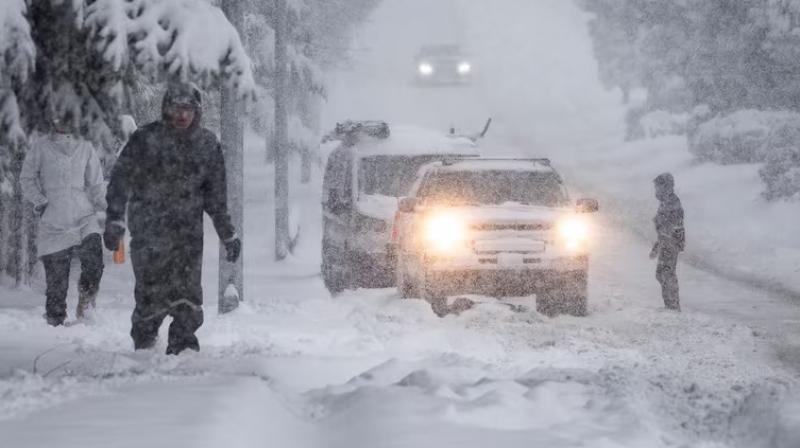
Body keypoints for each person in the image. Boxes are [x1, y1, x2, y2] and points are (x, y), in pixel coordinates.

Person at [104, 82, 241, 355]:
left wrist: (227, 233)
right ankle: (144, 345)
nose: (182, 115)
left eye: (188, 109)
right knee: (149, 292)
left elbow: (215, 197)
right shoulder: (144, 139)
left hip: (187, 236)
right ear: (167, 108)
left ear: (197, 111)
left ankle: (183, 348)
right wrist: (115, 219)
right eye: (176, 108)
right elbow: (120, 181)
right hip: (148, 231)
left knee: (188, 296)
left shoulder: (207, 144)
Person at [20, 120, 106, 326]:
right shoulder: (40, 146)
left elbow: (96, 183)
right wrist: (41, 202)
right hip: (54, 219)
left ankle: (86, 303)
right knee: (57, 282)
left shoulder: (85, 146)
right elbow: (26, 178)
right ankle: (55, 322)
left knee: (94, 260)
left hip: (84, 215)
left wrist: (107, 208)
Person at [650, 172, 685, 311]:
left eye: (658, 187)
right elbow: (663, 229)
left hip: (670, 244)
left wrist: (675, 242)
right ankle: (670, 305)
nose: (656, 190)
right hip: (666, 243)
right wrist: (657, 247)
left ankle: (673, 306)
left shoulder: (672, 203)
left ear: (666, 187)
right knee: (662, 273)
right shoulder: (666, 202)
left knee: (666, 273)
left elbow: (676, 226)